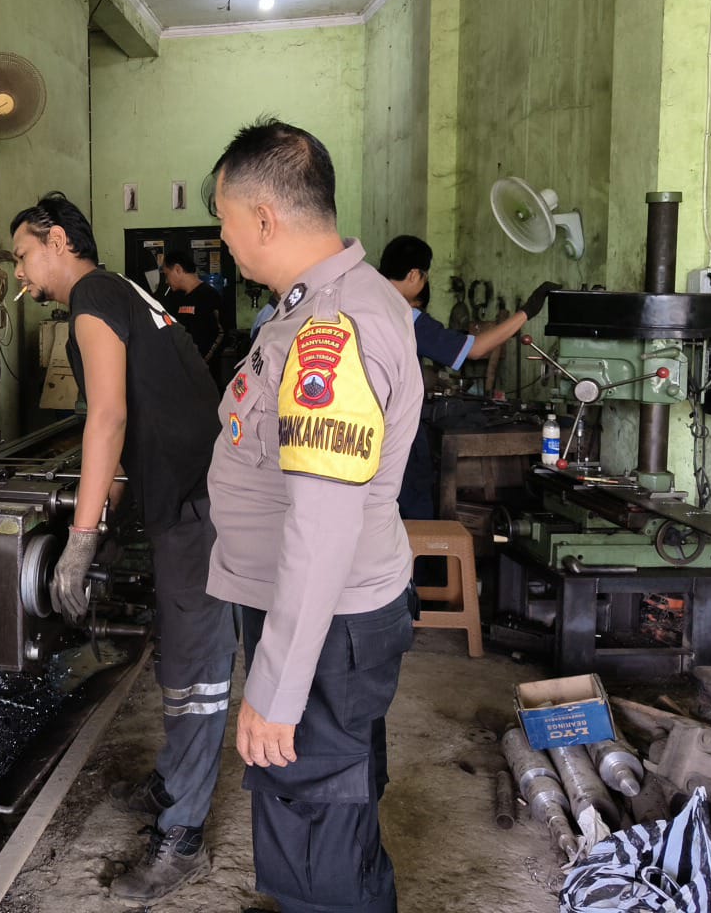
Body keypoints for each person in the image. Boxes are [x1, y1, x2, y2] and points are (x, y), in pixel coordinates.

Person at [203, 119, 423, 913]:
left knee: (315, 833)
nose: (224, 239)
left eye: (226, 220)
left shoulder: (334, 329)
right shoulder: (317, 307)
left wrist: (276, 687)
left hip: (322, 627)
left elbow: (323, 526)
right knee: (338, 810)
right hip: (327, 616)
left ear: (264, 217)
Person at [9, 193, 237, 903]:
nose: (19, 273)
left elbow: (106, 417)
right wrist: (105, 504)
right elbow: (137, 416)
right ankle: (173, 782)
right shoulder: (123, 292)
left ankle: (183, 836)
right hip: (188, 494)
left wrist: (79, 543)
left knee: (197, 669)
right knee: (179, 650)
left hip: (198, 505)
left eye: (21, 255)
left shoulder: (93, 297)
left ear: (56, 241)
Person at [377, 235, 557, 518]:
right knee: (413, 515)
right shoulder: (404, 316)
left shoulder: (360, 303)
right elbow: (476, 349)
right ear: (413, 275)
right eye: (425, 276)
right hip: (396, 434)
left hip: (358, 431)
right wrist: (527, 312)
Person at [161, 248, 226, 374]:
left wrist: (200, 364)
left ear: (178, 269)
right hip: (183, 371)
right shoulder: (175, 298)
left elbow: (221, 334)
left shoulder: (209, 296)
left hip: (205, 373)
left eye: (167, 274)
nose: (166, 281)